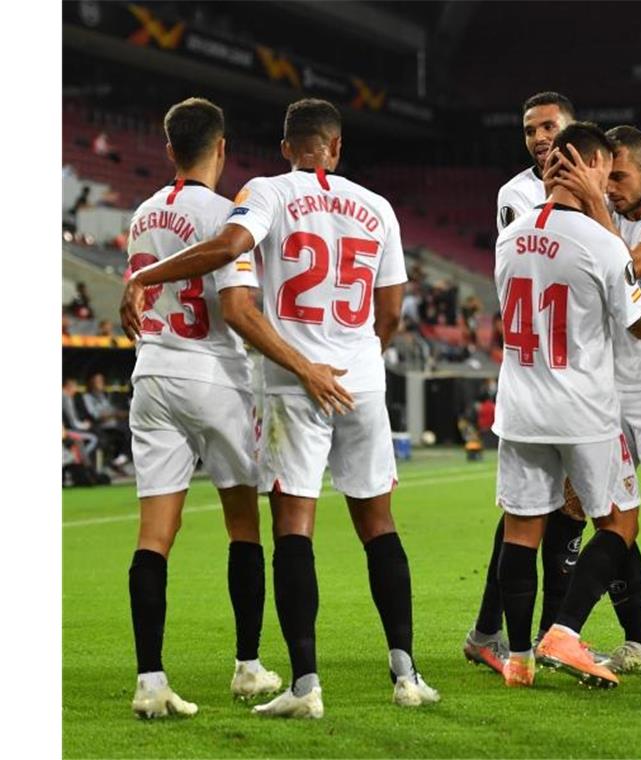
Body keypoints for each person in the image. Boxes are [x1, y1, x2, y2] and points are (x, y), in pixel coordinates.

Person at [121, 98, 438, 716]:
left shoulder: (255, 195)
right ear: (337, 146)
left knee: (291, 528)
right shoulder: (378, 206)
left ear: (285, 145)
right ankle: (406, 675)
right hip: (357, 380)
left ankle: (302, 686)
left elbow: (235, 266)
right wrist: (363, 357)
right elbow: (394, 310)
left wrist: (145, 277)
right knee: (379, 524)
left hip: (273, 379)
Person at [492, 122, 641, 689]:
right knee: (619, 522)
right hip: (582, 407)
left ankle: (519, 659)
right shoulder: (601, 243)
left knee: (521, 530)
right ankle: (564, 631)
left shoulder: (507, 235)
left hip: (518, 403)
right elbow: (639, 325)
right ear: (590, 166)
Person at [117, 97, 281, 719]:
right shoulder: (227, 214)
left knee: (154, 535)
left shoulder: (141, 214)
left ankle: (150, 680)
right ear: (222, 148)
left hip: (152, 374)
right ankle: (247, 666)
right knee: (243, 524)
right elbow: (238, 306)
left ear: (167, 150)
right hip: (216, 376)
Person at [464, 91, 587, 675]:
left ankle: (508, 632)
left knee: (552, 509)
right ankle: (534, 635)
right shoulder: (517, 195)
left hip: (578, 368)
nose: (539, 138)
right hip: (549, 372)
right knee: (548, 510)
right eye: (530, 129)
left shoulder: (595, 178)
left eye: (549, 127)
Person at [82, 371, 132, 472]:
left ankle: (120, 459)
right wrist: (113, 414)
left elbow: (111, 411)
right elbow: (95, 415)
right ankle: (117, 460)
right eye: (98, 381)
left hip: (113, 425)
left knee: (130, 428)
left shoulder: (104, 396)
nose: (101, 383)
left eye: (101, 381)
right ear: (91, 383)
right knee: (124, 431)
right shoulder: (87, 397)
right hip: (99, 427)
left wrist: (118, 414)